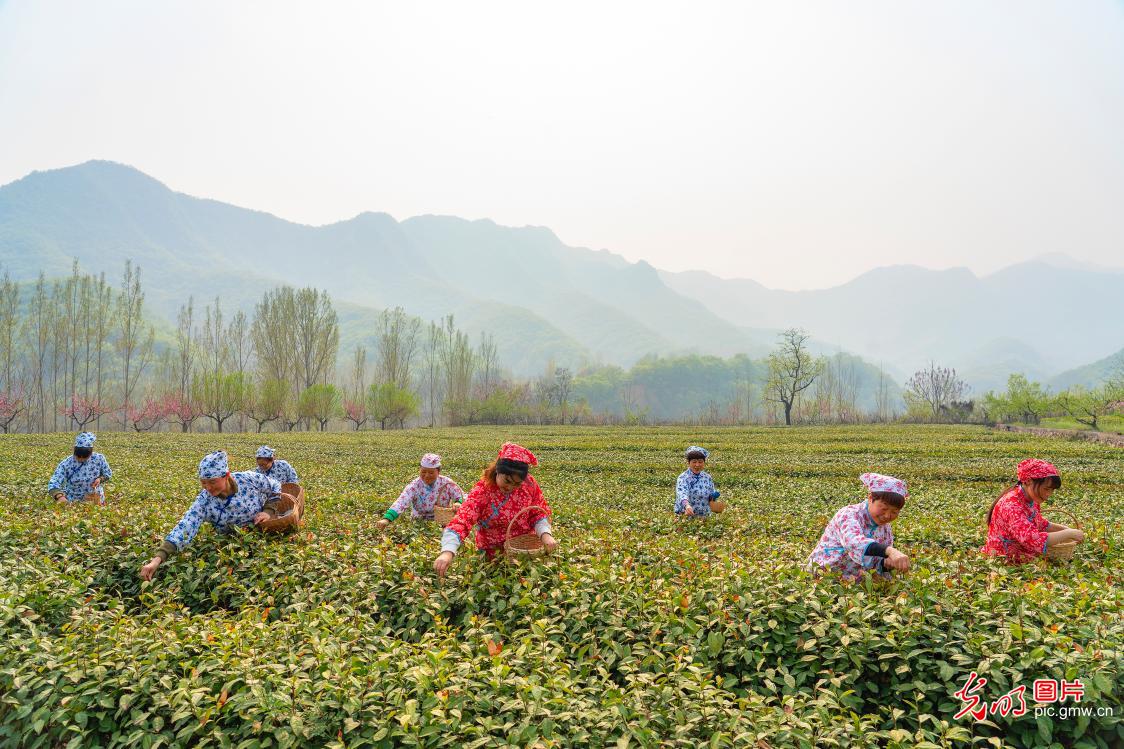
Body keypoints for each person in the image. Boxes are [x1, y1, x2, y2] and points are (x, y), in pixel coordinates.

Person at [139, 450, 293, 580]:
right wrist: (157, 559)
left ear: (226, 475)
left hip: (262, 532)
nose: (208, 487)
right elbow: (186, 526)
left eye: (212, 482)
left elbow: (274, 485)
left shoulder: (248, 479)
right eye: (203, 483)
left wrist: (268, 511)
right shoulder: (204, 501)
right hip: (231, 546)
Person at [434, 442, 557, 577]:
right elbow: (462, 519)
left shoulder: (529, 485)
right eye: (507, 481)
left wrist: (546, 535)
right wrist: (447, 551)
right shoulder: (482, 491)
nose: (510, 487)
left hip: (523, 550)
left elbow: (537, 512)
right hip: (492, 554)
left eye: (517, 483)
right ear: (498, 471)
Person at [807, 472, 911, 580]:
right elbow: (853, 542)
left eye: (894, 512)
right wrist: (890, 551)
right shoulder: (848, 514)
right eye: (884, 508)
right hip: (823, 577)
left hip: (853, 584)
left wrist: (886, 563)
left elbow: (876, 559)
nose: (887, 516)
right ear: (870, 498)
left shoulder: (885, 528)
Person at [981, 459, 1084, 564]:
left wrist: (1067, 530)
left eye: (1052, 490)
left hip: (1023, 556)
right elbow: (1031, 539)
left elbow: (1040, 523)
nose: (1049, 494)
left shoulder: (1031, 499)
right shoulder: (1011, 505)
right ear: (1028, 481)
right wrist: (1068, 533)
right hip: (1004, 559)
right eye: (1046, 489)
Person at [377, 453, 464, 528]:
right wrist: (387, 519)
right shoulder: (414, 485)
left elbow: (462, 496)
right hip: (418, 522)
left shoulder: (446, 483)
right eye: (423, 472)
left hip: (442, 521)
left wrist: (458, 502)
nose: (426, 476)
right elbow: (401, 502)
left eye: (431, 473)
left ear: (438, 472)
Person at [47, 432, 112, 505]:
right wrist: (60, 496)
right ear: (74, 450)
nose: (81, 459)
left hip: (95, 499)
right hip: (73, 502)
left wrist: (100, 479)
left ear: (91, 452)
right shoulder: (66, 463)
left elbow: (108, 474)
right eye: (78, 456)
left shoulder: (99, 459)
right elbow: (53, 482)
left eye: (85, 457)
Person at [674, 446, 719, 517]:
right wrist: (687, 505)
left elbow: (710, 496)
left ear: (704, 462)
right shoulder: (683, 477)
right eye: (694, 462)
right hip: (686, 515)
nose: (697, 465)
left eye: (700, 462)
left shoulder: (707, 477)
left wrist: (713, 496)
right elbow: (682, 493)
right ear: (688, 463)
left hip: (704, 516)